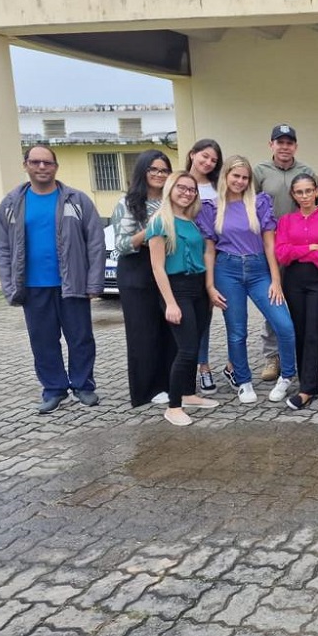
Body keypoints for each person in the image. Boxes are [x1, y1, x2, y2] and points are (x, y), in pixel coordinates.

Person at [0, 145, 105, 414]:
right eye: (35, 162)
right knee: (43, 341)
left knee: (80, 338)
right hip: (33, 287)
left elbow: (95, 242)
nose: (42, 167)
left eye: (47, 162)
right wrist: (9, 285)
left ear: (56, 167)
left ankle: (83, 385)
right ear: (25, 165)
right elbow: (3, 248)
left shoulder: (76, 200)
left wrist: (94, 282)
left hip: (73, 284)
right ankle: (54, 389)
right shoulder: (11, 204)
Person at [200, 155, 297, 405]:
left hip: (259, 270)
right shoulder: (212, 207)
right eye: (236, 176)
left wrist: (276, 280)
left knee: (284, 325)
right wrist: (209, 286)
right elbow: (209, 251)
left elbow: (269, 244)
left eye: (245, 177)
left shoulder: (259, 203)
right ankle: (243, 381)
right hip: (226, 270)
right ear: (226, 176)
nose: (240, 181)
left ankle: (287, 376)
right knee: (237, 332)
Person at [147, 171, 219, 426]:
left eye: (191, 189)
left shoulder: (191, 220)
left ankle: (189, 394)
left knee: (194, 345)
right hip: (177, 290)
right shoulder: (160, 222)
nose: (187, 193)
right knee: (186, 349)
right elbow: (157, 267)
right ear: (170, 188)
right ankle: (174, 406)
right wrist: (170, 302)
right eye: (182, 187)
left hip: (198, 288)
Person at [111, 149, 176, 407]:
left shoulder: (171, 201)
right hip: (137, 270)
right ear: (143, 171)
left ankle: (170, 383)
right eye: (154, 169)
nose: (159, 174)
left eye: (164, 170)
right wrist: (151, 231)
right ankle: (147, 390)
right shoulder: (127, 202)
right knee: (143, 332)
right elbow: (122, 244)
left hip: (168, 268)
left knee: (169, 329)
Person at [253, 124, 315, 381]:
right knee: (274, 302)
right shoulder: (259, 172)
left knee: (300, 305)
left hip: (300, 250)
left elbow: (315, 208)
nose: (285, 147)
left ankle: (301, 355)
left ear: (295, 146)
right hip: (270, 248)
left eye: (289, 143)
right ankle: (273, 356)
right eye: (280, 142)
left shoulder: (306, 172)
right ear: (271, 145)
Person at [275, 173, 318, 410]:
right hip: (293, 281)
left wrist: (297, 250)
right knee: (299, 332)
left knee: (313, 332)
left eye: (308, 191)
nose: (304, 196)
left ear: (316, 192)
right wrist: (311, 247)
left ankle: (307, 389)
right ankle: (306, 379)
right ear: (293, 195)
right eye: (299, 192)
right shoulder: (286, 221)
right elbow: (282, 254)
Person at [184, 138, 223, 393]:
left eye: (214, 160)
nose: (208, 163)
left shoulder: (218, 188)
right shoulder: (180, 183)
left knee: (205, 315)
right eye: (205, 156)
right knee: (186, 316)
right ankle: (189, 367)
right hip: (184, 260)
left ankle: (205, 366)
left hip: (215, 258)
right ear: (192, 154)